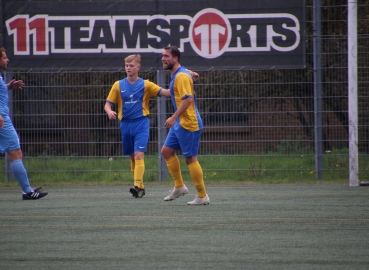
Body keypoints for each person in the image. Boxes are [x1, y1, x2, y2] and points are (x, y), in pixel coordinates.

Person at [105, 54, 198, 198]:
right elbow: (107, 104)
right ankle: (140, 187)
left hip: (141, 123)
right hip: (125, 125)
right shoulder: (118, 85)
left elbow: (167, 92)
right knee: (132, 157)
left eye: (131, 66)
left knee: (138, 154)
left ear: (138, 67)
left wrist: (186, 75)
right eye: (126, 66)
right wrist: (109, 111)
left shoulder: (146, 84)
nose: (128, 68)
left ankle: (136, 185)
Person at [161, 46, 209, 205]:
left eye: (166, 56)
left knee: (190, 159)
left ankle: (202, 195)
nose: (163, 59)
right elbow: (183, 71)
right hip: (180, 123)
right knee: (166, 152)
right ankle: (179, 187)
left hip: (189, 123)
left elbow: (187, 100)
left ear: (175, 58)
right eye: (162, 56)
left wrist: (174, 117)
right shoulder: (180, 73)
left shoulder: (181, 77)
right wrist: (192, 72)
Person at [0, 47, 48, 200]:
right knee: (15, 152)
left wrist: (8, 86)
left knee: (15, 152)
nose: (7, 60)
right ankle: (27, 191)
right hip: (2, 119)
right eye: (4, 57)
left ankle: (27, 190)